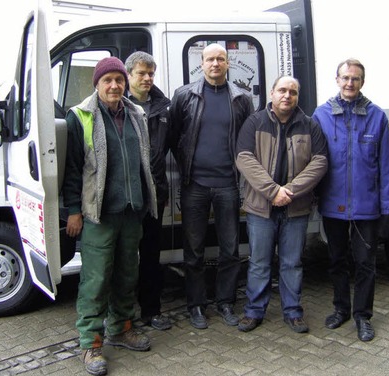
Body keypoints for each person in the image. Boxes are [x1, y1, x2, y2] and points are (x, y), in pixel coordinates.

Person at [62, 56, 159, 376]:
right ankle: (90, 343)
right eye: (108, 80)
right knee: (96, 280)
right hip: (98, 214)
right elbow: (73, 170)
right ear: (97, 84)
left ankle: (121, 328)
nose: (115, 86)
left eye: (119, 80)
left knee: (126, 275)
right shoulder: (81, 116)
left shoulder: (137, 114)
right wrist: (74, 211)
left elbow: (144, 161)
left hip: (132, 212)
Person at [169, 43, 254, 329]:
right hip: (195, 185)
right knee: (193, 250)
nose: (215, 64)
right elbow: (173, 137)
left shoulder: (242, 99)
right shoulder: (184, 96)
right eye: (210, 59)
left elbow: (246, 140)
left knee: (230, 249)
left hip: (228, 184)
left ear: (228, 63)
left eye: (220, 59)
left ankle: (226, 302)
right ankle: (196, 305)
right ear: (201, 63)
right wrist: (186, 170)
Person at [312, 58, 389, 342]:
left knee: (365, 264)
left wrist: (387, 207)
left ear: (362, 82)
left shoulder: (377, 116)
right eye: (345, 78)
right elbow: (312, 160)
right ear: (336, 80)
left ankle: (363, 316)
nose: (350, 83)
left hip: (366, 207)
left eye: (355, 79)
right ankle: (341, 310)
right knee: (336, 261)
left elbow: (386, 166)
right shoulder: (321, 115)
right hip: (333, 205)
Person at [235, 75, 328, 334]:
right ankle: (254, 311)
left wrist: (290, 191)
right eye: (283, 90)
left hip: (295, 207)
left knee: (292, 263)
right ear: (272, 93)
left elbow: (319, 162)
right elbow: (244, 158)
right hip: (261, 208)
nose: (287, 96)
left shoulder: (310, 125)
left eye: (293, 92)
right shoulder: (254, 122)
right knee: (259, 263)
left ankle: (293, 312)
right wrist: (273, 191)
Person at [124, 51, 173, 331]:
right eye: (141, 73)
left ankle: (152, 311)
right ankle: (124, 314)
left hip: (155, 194)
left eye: (150, 74)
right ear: (129, 74)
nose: (147, 78)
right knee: (125, 257)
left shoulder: (164, 108)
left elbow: (177, 143)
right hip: (127, 195)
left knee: (152, 256)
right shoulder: (118, 104)